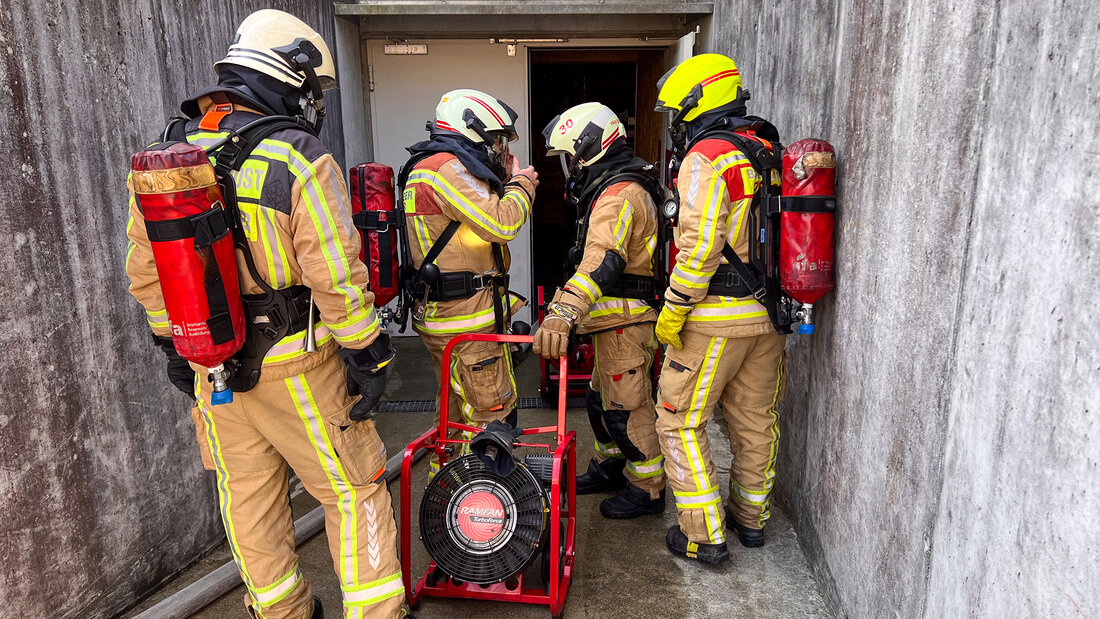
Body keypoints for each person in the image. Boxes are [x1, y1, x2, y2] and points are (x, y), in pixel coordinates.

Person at [126, 10, 406, 618]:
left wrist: (176, 350)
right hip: (298, 364)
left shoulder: (166, 163)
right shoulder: (298, 157)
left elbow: (149, 274)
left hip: (215, 368)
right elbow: (333, 271)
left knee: (248, 499)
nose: (314, 103)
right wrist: (368, 352)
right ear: (291, 76)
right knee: (352, 489)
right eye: (313, 89)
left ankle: (283, 612)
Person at [652, 53, 787, 564]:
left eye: (679, 111)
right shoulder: (765, 149)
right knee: (754, 417)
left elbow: (700, 244)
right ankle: (750, 521)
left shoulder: (706, 156)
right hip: (769, 314)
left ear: (697, 101)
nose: (677, 122)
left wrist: (675, 307)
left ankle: (703, 535)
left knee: (680, 421)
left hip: (713, 319)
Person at [533, 102, 666, 519]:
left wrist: (564, 312)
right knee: (598, 401)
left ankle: (647, 489)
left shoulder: (620, 195)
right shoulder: (612, 189)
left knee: (627, 410)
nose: (569, 167)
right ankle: (611, 467)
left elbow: (603, 261)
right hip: (612, 323)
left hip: (627, 323)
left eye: (570, 156)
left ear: (589, 147)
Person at [398, 89, 538, 475]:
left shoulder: (435, 166)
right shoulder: (444, 168)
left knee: (455, 413)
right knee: (493, 419)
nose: (499, 148)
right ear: (470, 128)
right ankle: (484, 510)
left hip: (453, 315)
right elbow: (501, 222)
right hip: (467, 321)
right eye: (496, 138)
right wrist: (523, 183)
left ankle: (448, 489)